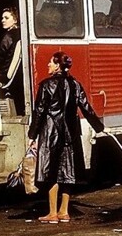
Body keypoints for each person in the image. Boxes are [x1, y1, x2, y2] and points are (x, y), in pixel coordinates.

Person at [27, 51, 104, 223]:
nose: (48, 64)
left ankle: (52, 212)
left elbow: (39, 111)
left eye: (50, 62)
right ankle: (64, 211)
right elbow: (86, 107)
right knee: (67, 172)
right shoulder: (75, 84)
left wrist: (32, 134)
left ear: (57, 66)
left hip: (50, 134)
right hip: (70, 134)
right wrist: (99, 127)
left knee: (51, 173)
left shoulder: (46, 85)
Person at [0, 7, 24, 114]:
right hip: (16, 77)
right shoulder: (21, 35)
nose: (3, 20)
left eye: (6, 18)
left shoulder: (8, 37)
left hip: (5, 75)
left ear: (15, 20)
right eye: (2, 18)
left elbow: (1, 59)